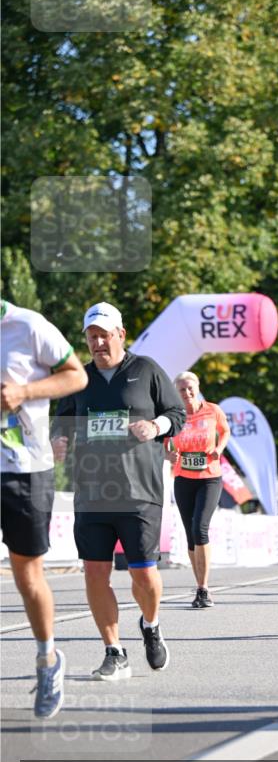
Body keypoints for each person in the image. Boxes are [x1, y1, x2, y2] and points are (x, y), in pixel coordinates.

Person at [51, 302, 185, 681]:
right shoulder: (78, 378)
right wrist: (59, 440)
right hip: (92, 492)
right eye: (91, 336)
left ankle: (151, 623)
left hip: (139, 492)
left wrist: (156, 426)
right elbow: (61, 421)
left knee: (144, 576)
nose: (97, 343)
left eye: (103, 335)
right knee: (95, 574)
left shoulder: (145, 370)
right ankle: (114, 651)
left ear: (121, 334)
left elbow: (177, 414)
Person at [1, 300, 87, 717]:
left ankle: (47, 658)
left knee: (26, 573)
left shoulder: (27, 325)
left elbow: (76, 376)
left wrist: (23, 392)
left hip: (25, 469)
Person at [166, 371, 230, 608]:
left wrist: (219, 449)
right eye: (181, 389)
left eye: (190, 388)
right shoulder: (174, 415)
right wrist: (169, 454)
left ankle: (204, 589)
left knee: (200, 527)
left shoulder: (213, 410)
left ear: (198, 387)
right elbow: (164, 445)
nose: (187, 392)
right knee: (190, 533)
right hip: (183, 479)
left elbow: (225, 432)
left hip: (209, 477)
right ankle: (199, 586)